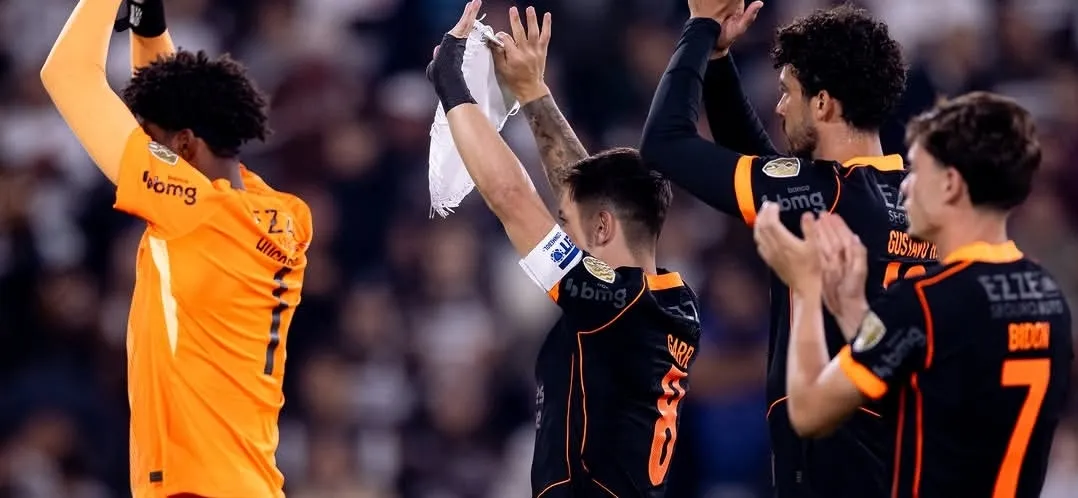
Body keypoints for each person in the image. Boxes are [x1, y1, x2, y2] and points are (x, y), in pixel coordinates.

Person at [639, 1, 926, 495]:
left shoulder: (821, 194)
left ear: (823, 104)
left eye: (788, 92)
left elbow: (664, 143)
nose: (779, 107)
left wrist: (700, 27)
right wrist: (719, 58)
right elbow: (766, 169)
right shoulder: (911, 195)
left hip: (833, 462)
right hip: (903, 456)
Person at [428, 2, 701, 496]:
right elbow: (585, 195)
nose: (558, 231)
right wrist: (533, 91)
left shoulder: (613, 303)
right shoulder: (669, 302)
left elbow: (511, 198)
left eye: (565, 225)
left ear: (602, 227)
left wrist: (451, 84)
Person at [41, 1, 311, 496]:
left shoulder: (195, 211)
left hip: (196, 487)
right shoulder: (282, 214)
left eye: (151, 142)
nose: (143, 150)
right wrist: (148, 27)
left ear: (184, 145)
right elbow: (174, 112)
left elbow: (66, 74)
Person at [754, 91, 1073, 498]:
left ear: (950, 185)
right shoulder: (1048, 297)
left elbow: (808, 412)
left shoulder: (925, 301)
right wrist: (853, 310)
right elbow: (937, 394)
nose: (904, 187)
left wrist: (805, 287)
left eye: (917, 171)